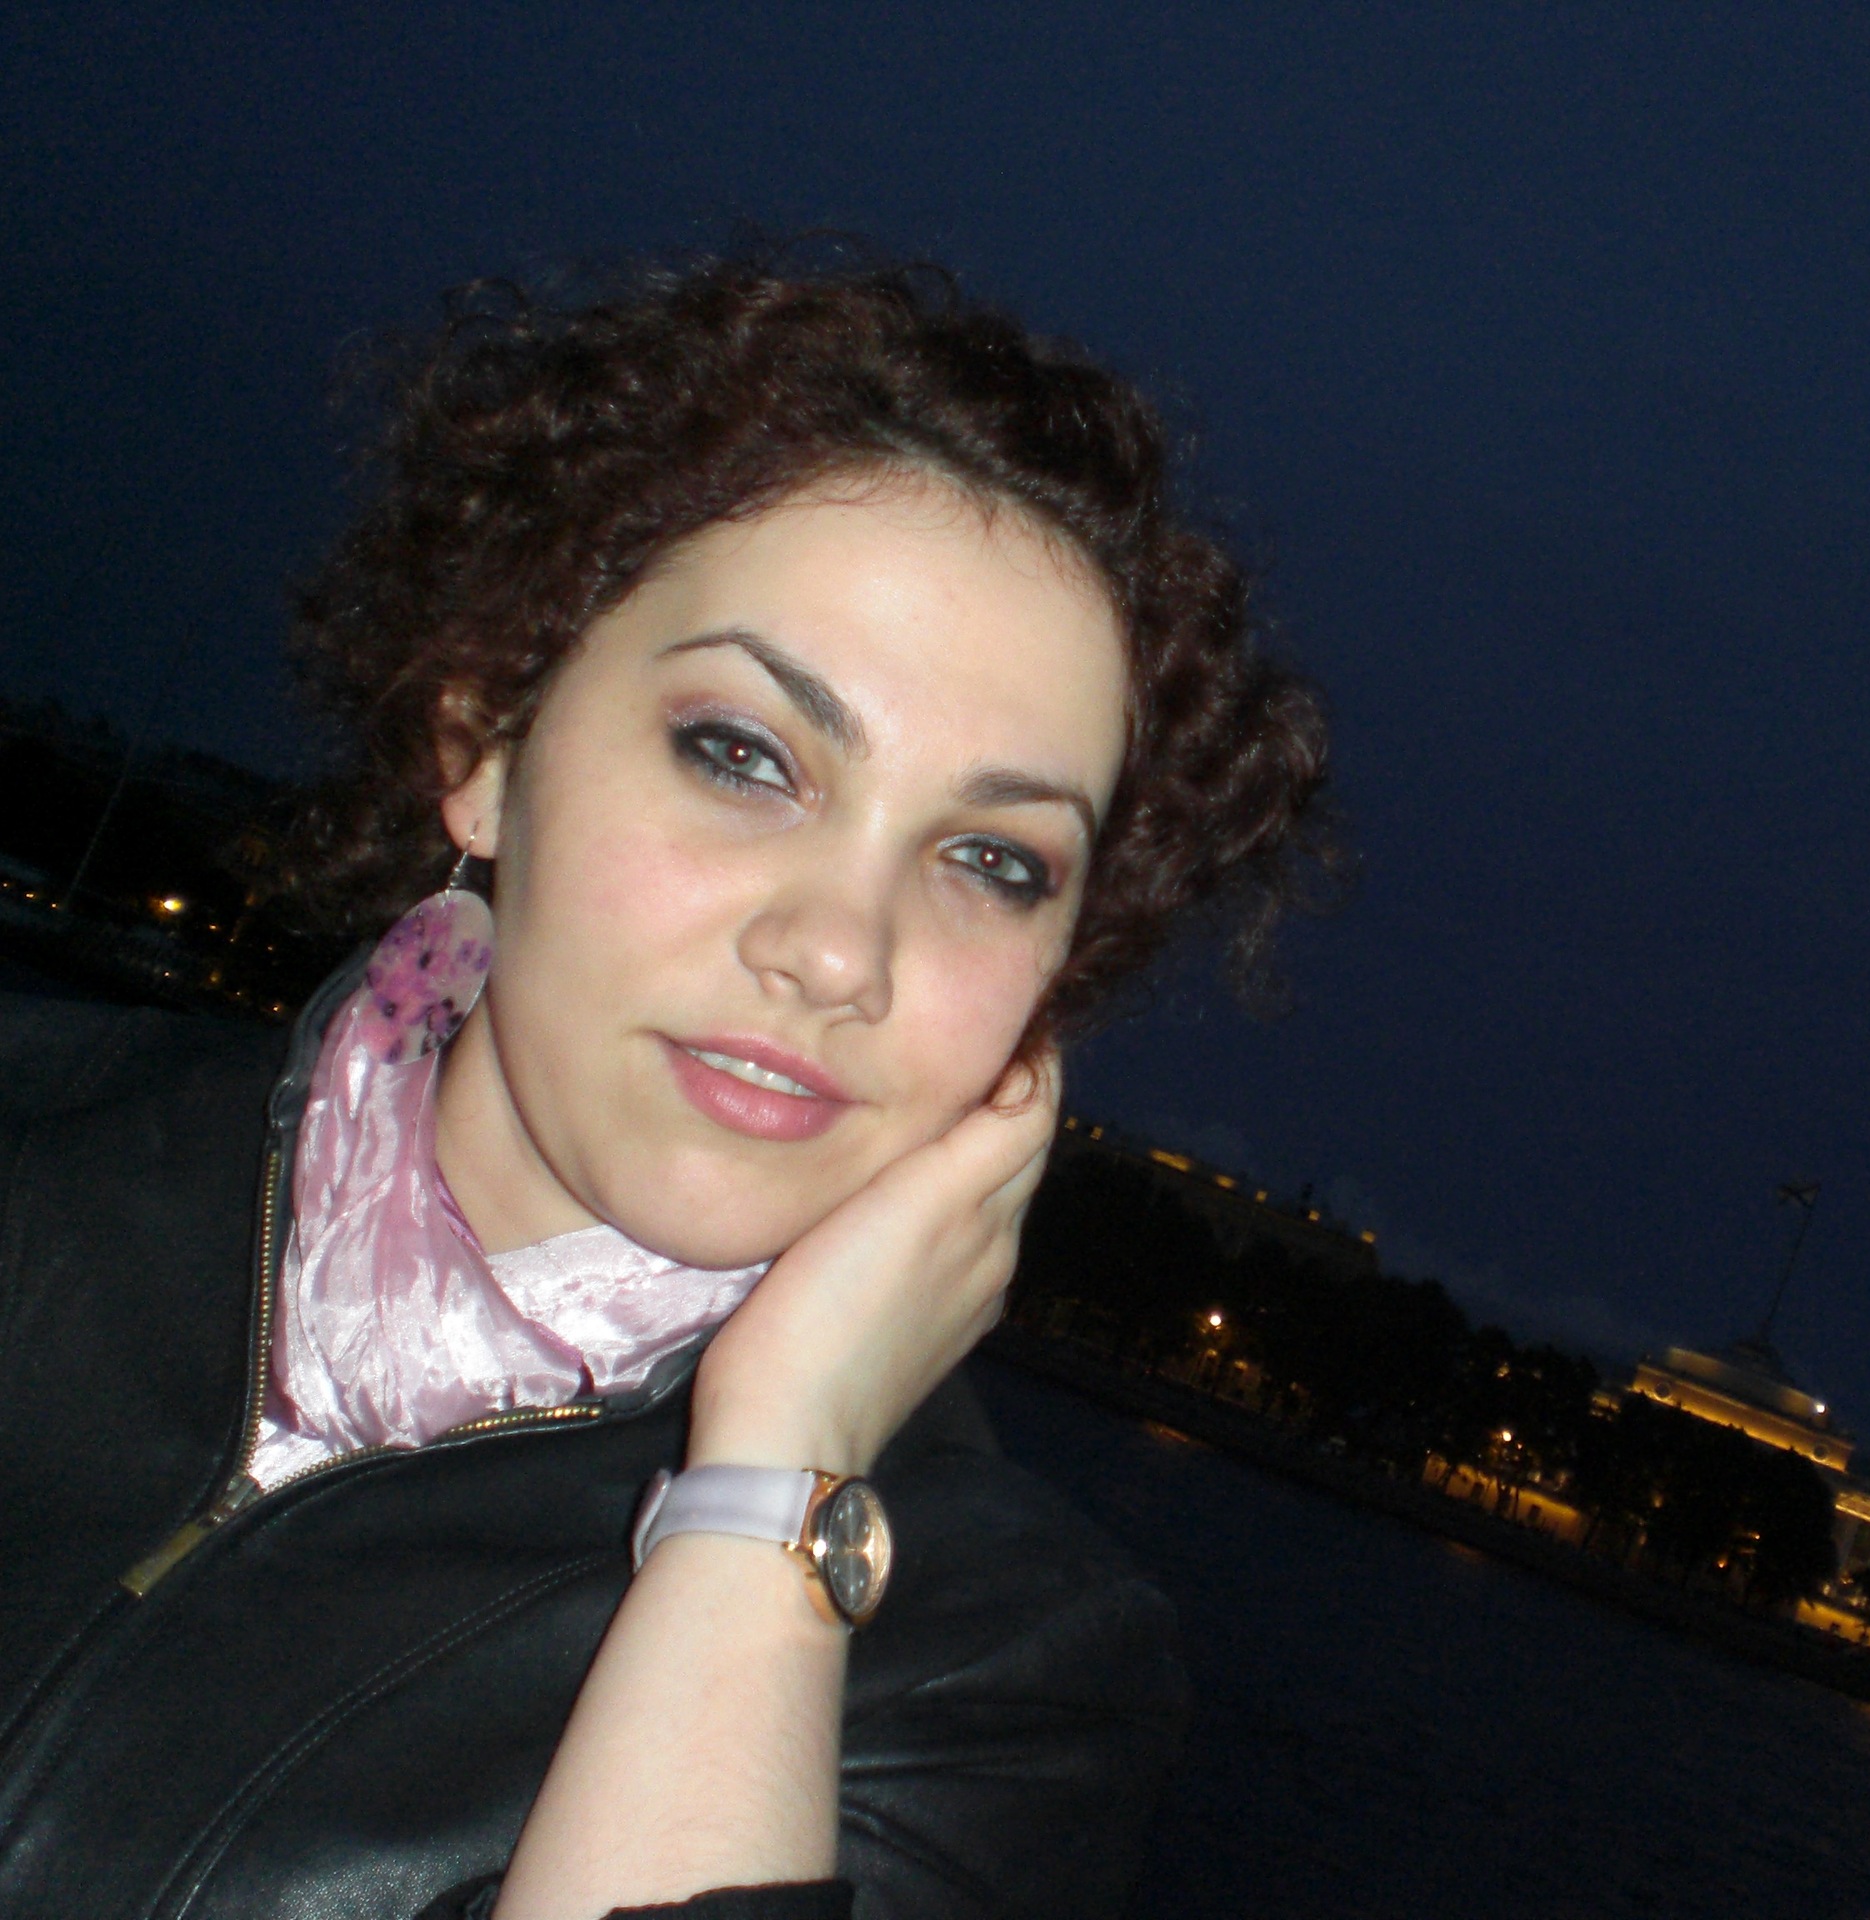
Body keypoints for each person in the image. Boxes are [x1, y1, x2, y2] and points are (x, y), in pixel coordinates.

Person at [0, 248, 1333, 1918]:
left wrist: (774, 1490)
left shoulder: (997, 1668)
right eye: (744, 755)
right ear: (489, 744)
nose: (839, 950)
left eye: (992, 860)